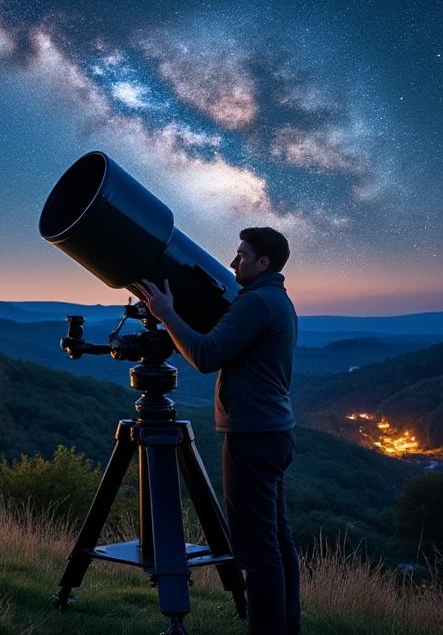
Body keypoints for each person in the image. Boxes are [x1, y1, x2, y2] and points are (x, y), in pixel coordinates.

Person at [131, 227, 300, 635]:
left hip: (253, 436)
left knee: (257, 552)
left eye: (241, 255)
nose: (232, 262)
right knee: (276, 541)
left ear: (263, 263)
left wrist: (167, 314)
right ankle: (286, 625)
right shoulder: (277, 299)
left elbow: (206, 356)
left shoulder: (256, 303)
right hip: (273, 432)